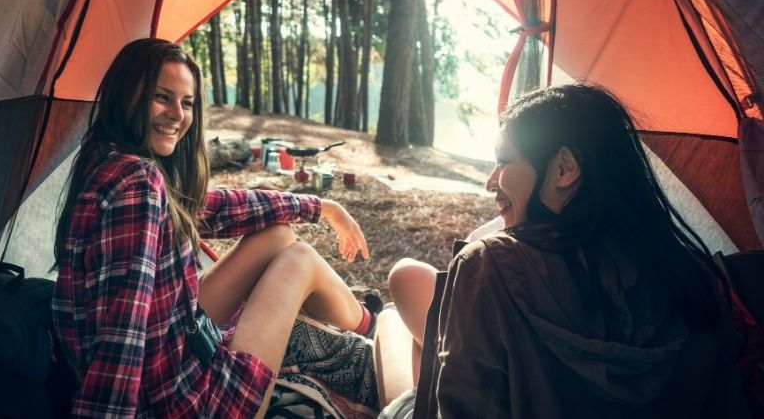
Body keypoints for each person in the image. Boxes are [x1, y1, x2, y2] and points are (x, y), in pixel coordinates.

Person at [376, 84, 750, 418]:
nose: (492, 182)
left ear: (565, 169)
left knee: (391, 323)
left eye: (504, 161)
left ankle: (376, 323)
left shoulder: (487, 265)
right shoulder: (691, 275)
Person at [52, 38, 375, 418]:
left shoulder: (107, 158)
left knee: (276, 234)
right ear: (129, 94)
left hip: (175, 350)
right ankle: (369, 330)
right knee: (300, 257)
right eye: (162, 97)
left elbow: (214, 208)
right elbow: (121, 335)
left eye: (186, 103)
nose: (177, 115)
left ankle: (360, 324)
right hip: (188, 404)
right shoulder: (137, 184)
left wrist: (320, 207)